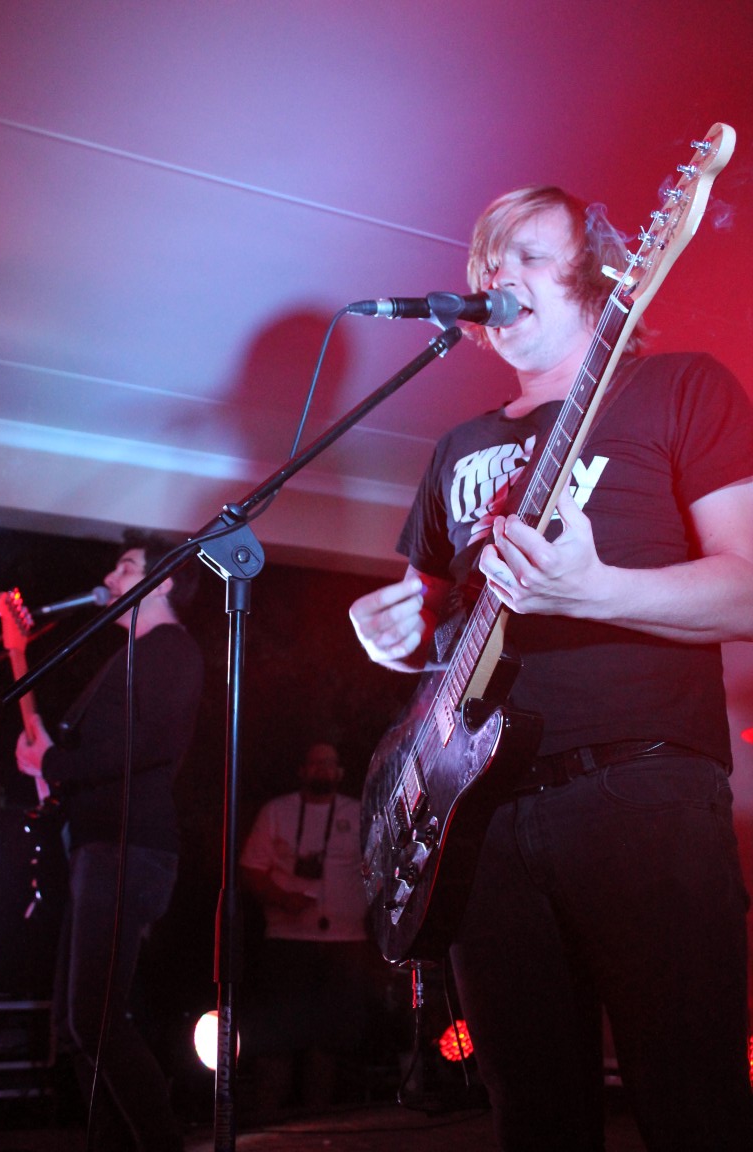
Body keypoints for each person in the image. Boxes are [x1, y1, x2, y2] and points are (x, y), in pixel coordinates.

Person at [348, 185, 753, 1151]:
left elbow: (749, 589)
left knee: (692, 1106)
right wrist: (385, 632)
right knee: (532, 1118)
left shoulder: (679, 387)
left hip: (639, 790)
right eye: (487, 261)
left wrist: (598, 591)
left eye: (526, 254)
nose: (498, 275)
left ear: (601, 276)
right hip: (477, 821)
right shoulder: (457, 447)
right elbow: (428, 621)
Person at [15, 530, 204, 1152]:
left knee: (95, 1019)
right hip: (98, 846)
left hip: (129, 847)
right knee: (75, 1027)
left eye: (126, 567)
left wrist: (54, 764)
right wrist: (48, 763)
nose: (111, 578)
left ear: (163, 581)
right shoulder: (129, 656)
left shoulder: (171, 649)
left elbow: (146, 746)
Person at [240, 741, 370, 1121]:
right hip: (287, 941)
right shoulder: (277, 811)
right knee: (277, 1037)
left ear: (340, 772)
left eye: (329, 763)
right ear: (302, 770)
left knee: (331, 1039)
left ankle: (320, 1124)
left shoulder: (358, 812)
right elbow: (251, 869)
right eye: (315, 763)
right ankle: (267, 1123)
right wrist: (282, 898)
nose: (322, 769)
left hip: (346, 943)